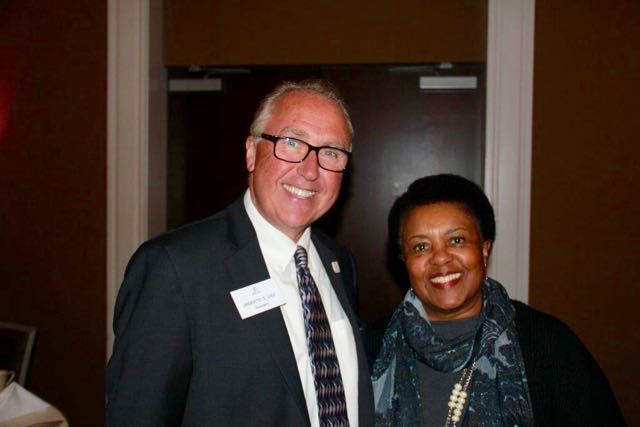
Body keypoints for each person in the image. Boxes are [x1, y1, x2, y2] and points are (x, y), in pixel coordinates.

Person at [106, 80, 374, 426]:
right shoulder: (174, 269)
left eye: (331, 153)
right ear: (251, 152)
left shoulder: (339, 263)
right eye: (291, 143)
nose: (310, 170)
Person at [369, 174, 625, 426]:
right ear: (405, 261)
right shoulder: (369, 348)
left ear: (484, 249)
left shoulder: (547, 345)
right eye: (421, 247)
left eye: (456, 240)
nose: (440, 258)